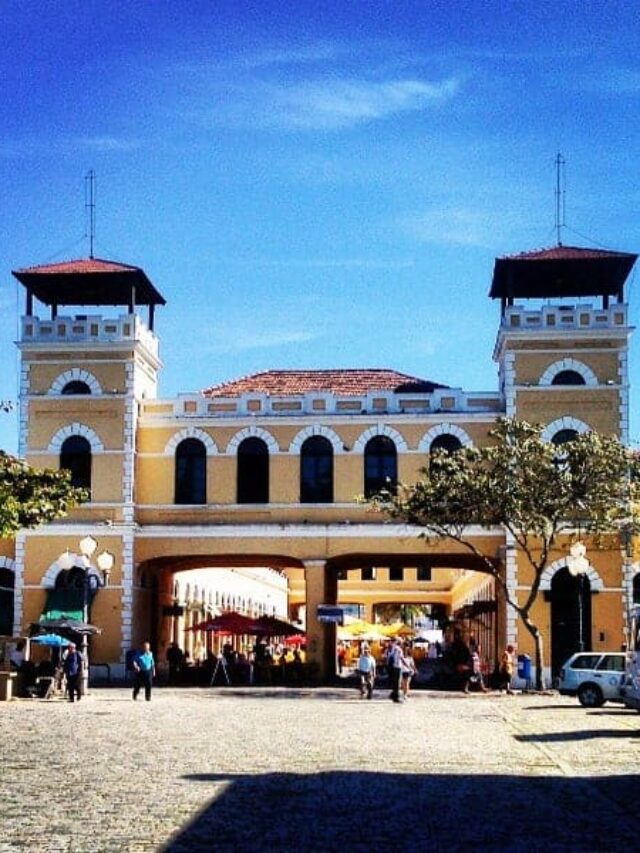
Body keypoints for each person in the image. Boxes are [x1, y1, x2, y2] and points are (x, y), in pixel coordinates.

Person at [387, 638, 405, 703]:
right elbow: (401, 658)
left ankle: (393, 695)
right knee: (398, 683)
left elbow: (389, 657)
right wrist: (408, 666)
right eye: (402, 642)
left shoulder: (392, 649)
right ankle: (396, 697)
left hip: (393, 667)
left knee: (395, 683)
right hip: (398, 667)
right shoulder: (399, 649)